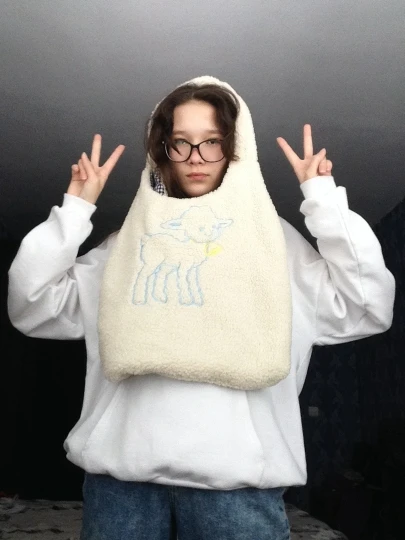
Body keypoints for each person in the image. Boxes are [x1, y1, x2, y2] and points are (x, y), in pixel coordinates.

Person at [8, 76, 395, 540]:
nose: (196, 157)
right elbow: (33, 307)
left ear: (235, 149)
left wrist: (324, 202)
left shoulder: (274, 245)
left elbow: (368, 307)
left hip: (236, 491)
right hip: (122, 488)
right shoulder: (126, 247)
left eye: (213, 142)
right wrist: (75, 209)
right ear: (162, 150)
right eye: (181, 142)